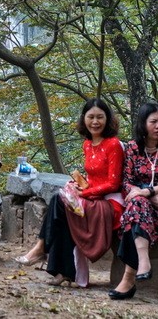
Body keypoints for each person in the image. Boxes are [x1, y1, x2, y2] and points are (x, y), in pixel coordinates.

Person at [14, 98, 124, 288]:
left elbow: (113, 184)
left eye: (100, 117)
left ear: (108, 119)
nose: (95, 122)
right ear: (84, 119)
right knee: (63, 210)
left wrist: (86, 193)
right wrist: (79, 185)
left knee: (59, 199)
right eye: (91, 117)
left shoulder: (112, 144)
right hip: (91, 196)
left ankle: (41, 247)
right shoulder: (87, 144)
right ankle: (63, 271)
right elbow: (94, 177)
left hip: (109, 202)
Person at [110, 102, 158, 300]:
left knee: (134, 208)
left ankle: (128, 279)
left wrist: (147, 191)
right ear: (143, 124)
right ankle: (143, 261)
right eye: (154, 122)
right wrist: (138, 193)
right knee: (136, 207)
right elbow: (126, 181)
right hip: (142, 208)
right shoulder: (132, 148)